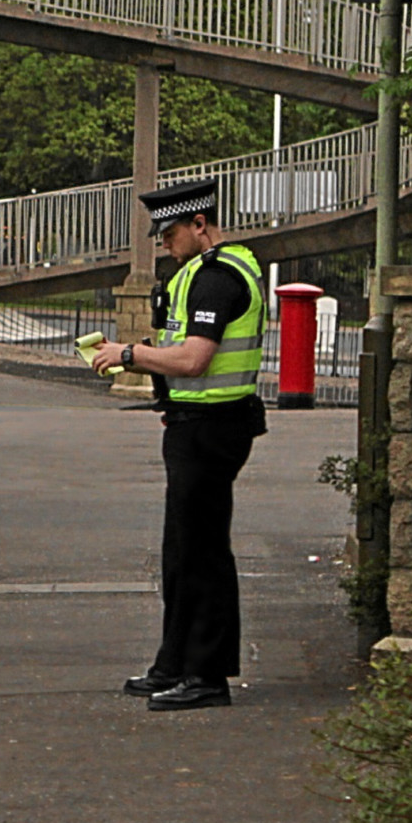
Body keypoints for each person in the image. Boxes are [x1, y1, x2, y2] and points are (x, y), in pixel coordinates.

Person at [89, 178, 265, 710]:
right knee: (181, 551)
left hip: (213, 427)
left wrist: (128, 357)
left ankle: (206, 676)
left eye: (169, 232)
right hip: (196, 422)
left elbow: (193, 359)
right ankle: (174, 662)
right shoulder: (204, 273)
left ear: (199, 225)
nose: (163, 242)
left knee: (203, 552)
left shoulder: (215, 279)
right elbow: (177, 350)